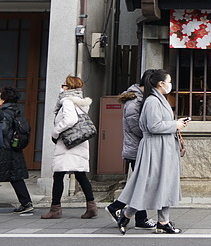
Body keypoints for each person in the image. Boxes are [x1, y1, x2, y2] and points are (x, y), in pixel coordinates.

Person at [115, 69, 189, 234]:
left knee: (163, 182)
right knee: (149, 184)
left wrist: (176, 124)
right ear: (161, 83)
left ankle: (162, 220)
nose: (171, 84)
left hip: (163, 146)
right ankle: (127, 214)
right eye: (169, 81)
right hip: (155, 148)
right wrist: (174, 125)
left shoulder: (158, 99)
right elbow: (153, 126)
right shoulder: (152, 101)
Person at [104, 71, 156, 230]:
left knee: (141, 183)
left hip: (139, 148)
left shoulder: (140, 98)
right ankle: (116, 207)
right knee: (141, 184)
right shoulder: (134, 101)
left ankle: (140, 218)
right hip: (136, 149)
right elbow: (136, 128)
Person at [41, 76, 97, 219]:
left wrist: (55, 132)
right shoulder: (80, 102)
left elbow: (70, 120)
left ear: (68, 87)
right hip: (79, 141)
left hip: (68, 143)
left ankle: (55, 209)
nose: (62, 87)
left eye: (64, 85)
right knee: (80, 175)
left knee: (59, 175)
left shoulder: (67, 101)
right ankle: (92, 207)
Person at [0, 87, 34, 214]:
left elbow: (3, 130)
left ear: (4, 99)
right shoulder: (15, 111)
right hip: (14, 148)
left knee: (14, 176)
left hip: (4, 148)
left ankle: (26, 203)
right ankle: (26, 203)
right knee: (16, 177)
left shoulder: (4, 113)